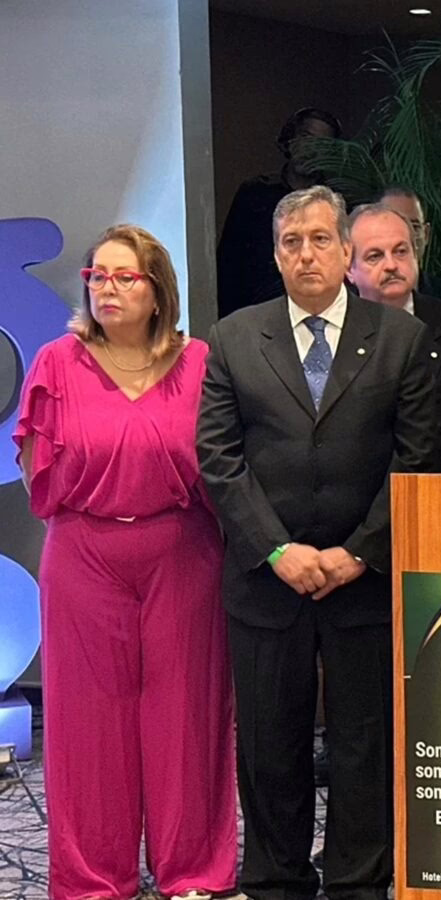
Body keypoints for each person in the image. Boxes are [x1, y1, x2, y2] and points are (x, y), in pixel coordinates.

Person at [198, 185, 439, 900]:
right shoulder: (233, 338)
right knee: (270, 743)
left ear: (345, 250)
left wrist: (358, 551)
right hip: (267, 580)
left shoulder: (399, 339)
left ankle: (358, 881)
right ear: (276, 256)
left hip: (363, 579)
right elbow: (219, 458)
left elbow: (417, 459)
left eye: (320, 239)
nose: (306, 254)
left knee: (365, 743)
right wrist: (277, 550)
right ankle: (277, 879)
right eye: (291, 242)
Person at [14, 225, 237, 900]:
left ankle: (191, 872)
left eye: (124, 276)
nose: (106, 288)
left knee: (186, 715)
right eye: (97, 276)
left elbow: (223, 462)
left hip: (182, 552)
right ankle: (93, 877)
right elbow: (36, 465)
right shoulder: (57, 362)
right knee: (88, 723)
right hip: (85, 555)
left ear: (157, 289)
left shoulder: (198, 361)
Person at [346, 201, 441, 472]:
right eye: (375, 256)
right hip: (364, 491)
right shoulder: (335, 334)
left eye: (401, 251)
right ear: (349, 269)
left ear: (416, 255)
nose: (391, 265)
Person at [216, 107, 343, 318]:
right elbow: (228, 265)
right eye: (306, 137)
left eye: (322, 144)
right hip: (256, 313)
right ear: (290, 140)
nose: (311, 149)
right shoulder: (255, 194)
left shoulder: (337, 201)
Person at [378, 184, 441, 315]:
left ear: (426, 235)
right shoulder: (354, 301)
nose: (406, 237)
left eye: (414, 227)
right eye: (393, 225)